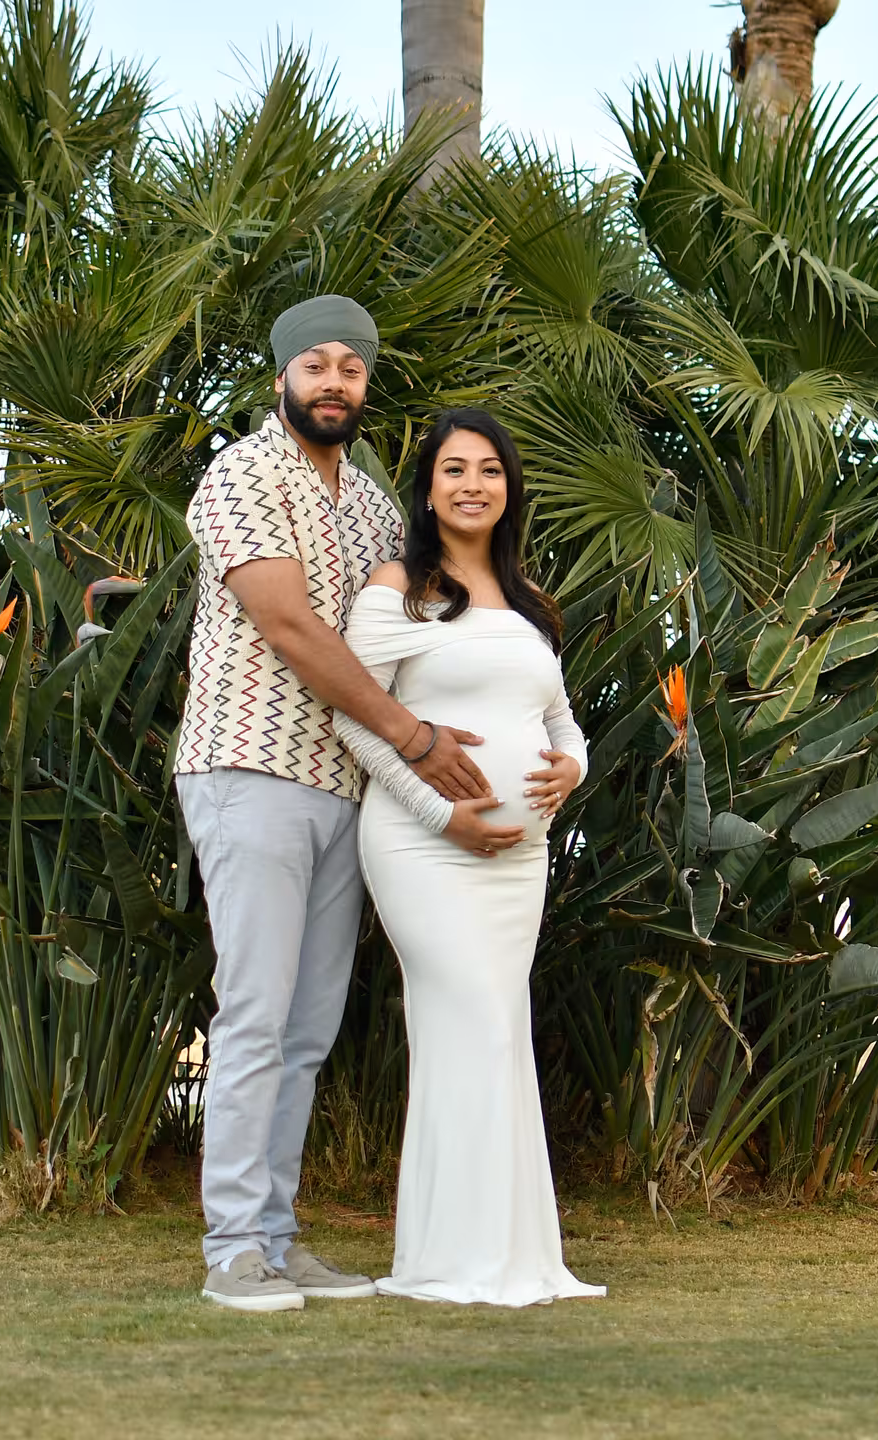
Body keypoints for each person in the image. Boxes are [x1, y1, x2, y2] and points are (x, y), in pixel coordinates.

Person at [175, 297, 519, 1313]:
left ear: (367, 385)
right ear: (282, 374)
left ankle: (276, 1240)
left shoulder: (372, 505)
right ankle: (233, 1248)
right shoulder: (243, 472)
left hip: (344, 786)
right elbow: (288, 626)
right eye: (316, 365)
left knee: (307, 1026)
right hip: (249, 768)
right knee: (256, 1011)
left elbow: (413, 640)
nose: (334, 382)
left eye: (351, 369)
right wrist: (415, 740)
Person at [335, 408, 606, 1307]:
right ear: (427, 488)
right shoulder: (396, 590)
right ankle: (454, 1260)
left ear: (508, 487)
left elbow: (564, 724)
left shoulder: (529, 604)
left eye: (488, 470)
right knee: (474, 1026)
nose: (472, 485)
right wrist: (440, 813)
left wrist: (570, 767)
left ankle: (512, 1256)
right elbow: (358, 720)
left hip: (518, 865)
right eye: (454, 470)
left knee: (495, 1034)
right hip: (421, 849)